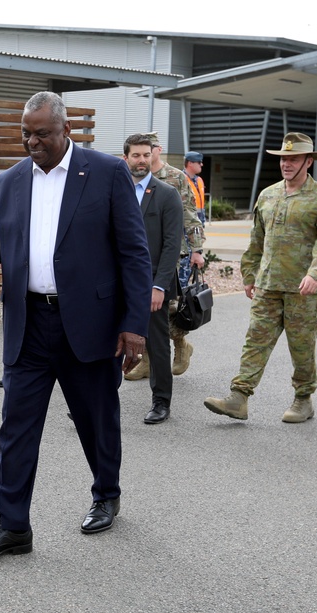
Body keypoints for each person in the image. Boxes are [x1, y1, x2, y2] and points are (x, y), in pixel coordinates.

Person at [0, 91, 151, 561]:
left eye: (41, 133)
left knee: (96, 419)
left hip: (89, 322)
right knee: (16, 429)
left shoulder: (106, 172)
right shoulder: (8, 181)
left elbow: (133, 253)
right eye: (26, 132)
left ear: (66, 131)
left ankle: (106, 494)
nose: (31, 141)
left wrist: (134, 324)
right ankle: (13, 527)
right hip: (29, 323)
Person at [204, 132, 317, 423]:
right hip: (267, 285)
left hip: (301, 289)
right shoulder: (268, 195)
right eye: (283, 158)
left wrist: (315, 274)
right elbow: (256, 240)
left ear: (308, 162)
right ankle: (238, 398)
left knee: (301, 346)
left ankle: (303, 399)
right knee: (255, 340)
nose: (286, 163)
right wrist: (249, 274)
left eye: (293, 159)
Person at [125, 132, 204, 380]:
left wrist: (197, 249)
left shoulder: (175, 178)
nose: (145, 156)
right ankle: (148, 361)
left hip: (174, 253)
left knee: (169, 308)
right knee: (147, 311)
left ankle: (181, 345)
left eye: (150, 150)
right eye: (137, 153)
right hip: (142, 256)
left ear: (157, 150)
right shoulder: (129, 177)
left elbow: (190, 213)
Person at [123, 133, 184, 424]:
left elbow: (172, 244)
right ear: (126, 158)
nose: (142, 160)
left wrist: (159, 286)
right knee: (110, 341)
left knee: (157, 344)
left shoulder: (167, 194)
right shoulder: (116, 191)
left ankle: (161, 402)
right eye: (136, 155)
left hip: (152, 286)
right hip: (117, 284)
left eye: (146, 155)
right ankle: (97, 401)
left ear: (153, 156)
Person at [183, 150, 206, 223]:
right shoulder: (180, 179)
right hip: (187, 223)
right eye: (199, 162)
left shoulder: (199, 180)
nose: (201, 164)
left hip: (199, 221)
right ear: (190, 163)